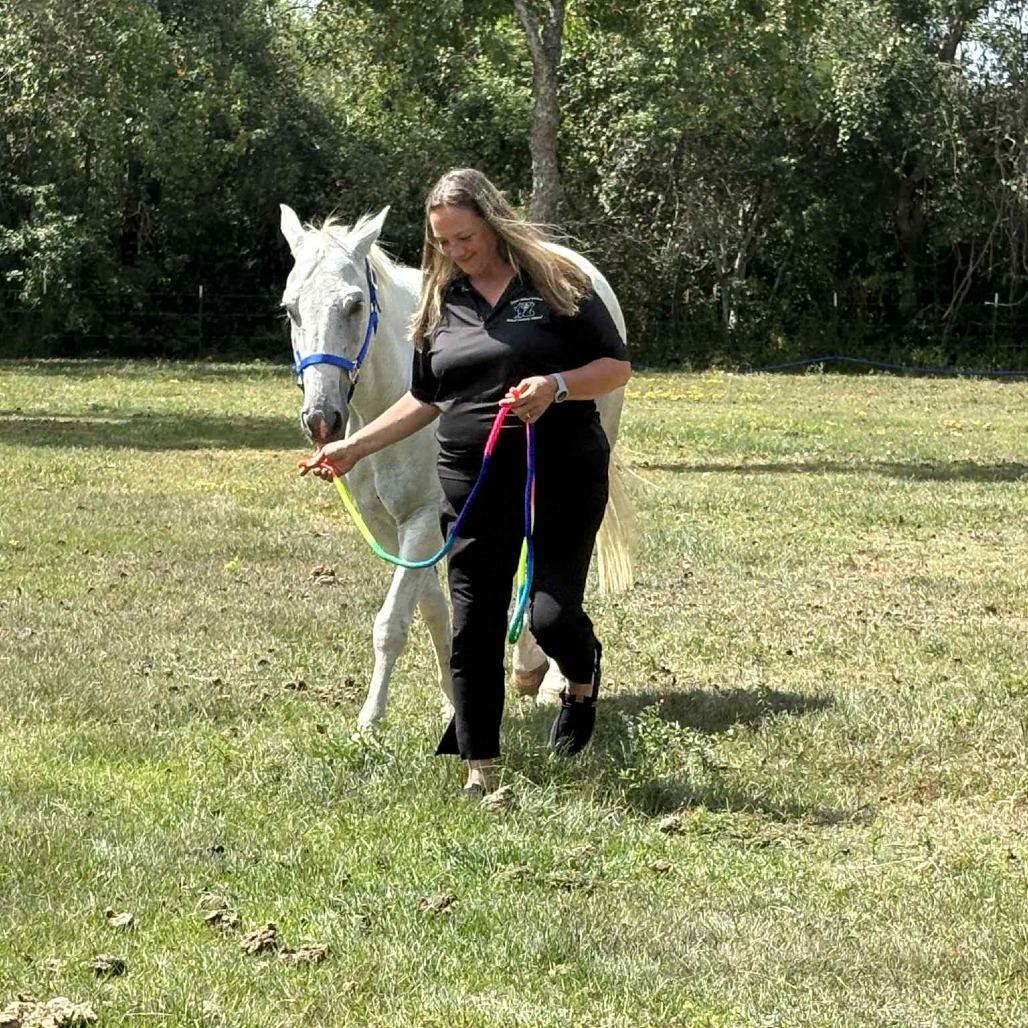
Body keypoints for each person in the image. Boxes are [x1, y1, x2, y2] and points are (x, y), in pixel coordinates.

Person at [299, 168, 631, 797]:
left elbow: (616, 367)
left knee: (553, 617)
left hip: (561, 470)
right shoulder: (441, 302)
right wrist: (353, 447)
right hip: (473, 481)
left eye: (466, 239)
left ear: (493, 223)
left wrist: (556, 386)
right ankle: (481, 768)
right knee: (474, 621)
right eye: (444, 242)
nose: (456, 252)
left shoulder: (557, 282)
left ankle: (581, 681)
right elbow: (425, 396)